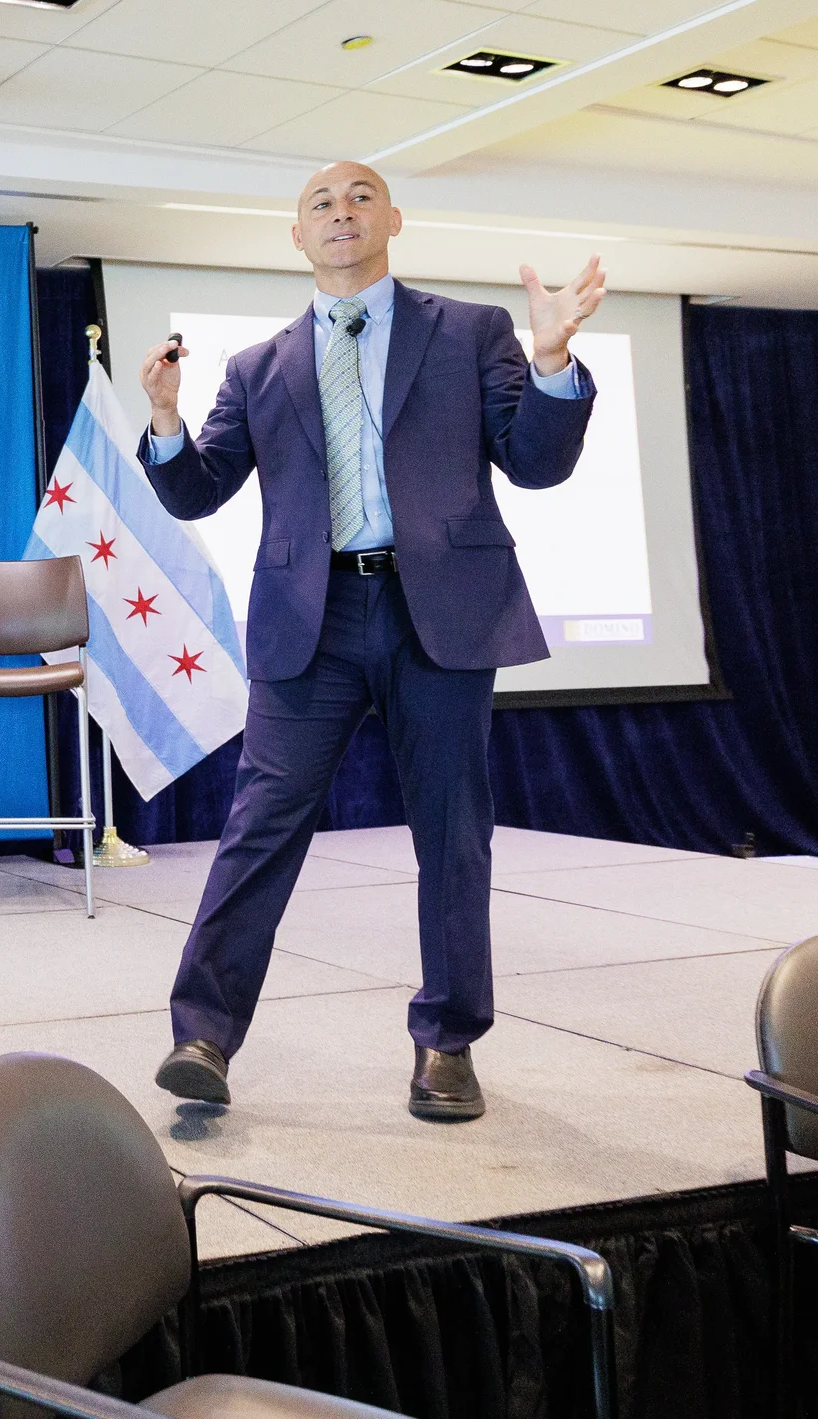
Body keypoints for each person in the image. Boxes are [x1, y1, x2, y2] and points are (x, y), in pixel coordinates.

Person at [136, 161, 602, 1121]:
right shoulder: (257, 368)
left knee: (451, 830)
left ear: (393, 219)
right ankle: (204, 1035)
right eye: (320, 204)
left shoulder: (470, 332)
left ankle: (448, 1041)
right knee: (260, 825)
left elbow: (538, 464)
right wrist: (165, 421)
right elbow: (196, 489)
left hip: (439, 608)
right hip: (313, 620)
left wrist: (552, 363)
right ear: (295, 238)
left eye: (359, 198)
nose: (340, 212)